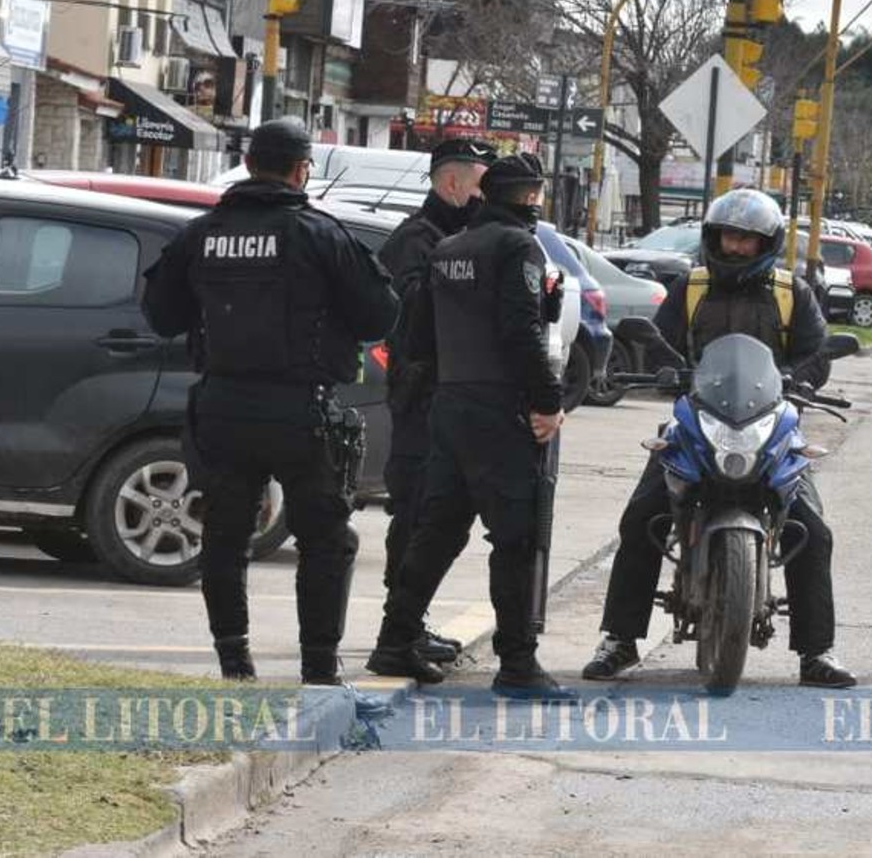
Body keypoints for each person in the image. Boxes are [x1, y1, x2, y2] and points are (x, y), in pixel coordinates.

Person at [140, 116, 398, 684]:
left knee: (225, 537)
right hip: (301, 412)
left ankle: (234, 663)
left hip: (223, 409)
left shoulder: (201, 234)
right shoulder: (321, 234)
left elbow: (159, 316)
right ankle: (319, 670)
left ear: (251, 165)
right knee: (326, 540)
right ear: (301, 169)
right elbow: (381, 314)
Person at [581, 189, 856, 689]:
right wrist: (665, 368)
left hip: (770, 426)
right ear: (713, 237)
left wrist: (803, 379)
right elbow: (660, 341)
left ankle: (818, 652)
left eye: (747, 239)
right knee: (641, 516)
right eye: (728, 235)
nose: (735, 247)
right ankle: (619, 639)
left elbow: (818, 352)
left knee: (812, 532)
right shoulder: (691, 287)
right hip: (696, 423)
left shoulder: (792, 292)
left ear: (766, 243)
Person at [367, 153, 570, 697]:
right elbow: (519, 331)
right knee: (516, 537)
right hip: (498, 409)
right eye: (533, 196)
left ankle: (395, 637)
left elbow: (421, 334)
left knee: (438, 529)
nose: (535, 206)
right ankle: (518, 663)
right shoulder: (518, 246)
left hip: (450, 405)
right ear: (524, 199)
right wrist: (547, 400)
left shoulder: (448, 249)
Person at [376, 138, 494, 664]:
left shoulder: (455, 237)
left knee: (438, 518)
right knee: (417, 516)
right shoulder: (417, 241)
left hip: (451, 399)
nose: (484, 197)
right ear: (453, 184)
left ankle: (411, 620)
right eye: (480, 185)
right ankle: (399, 626)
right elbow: (411, 322)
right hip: (421, 398)